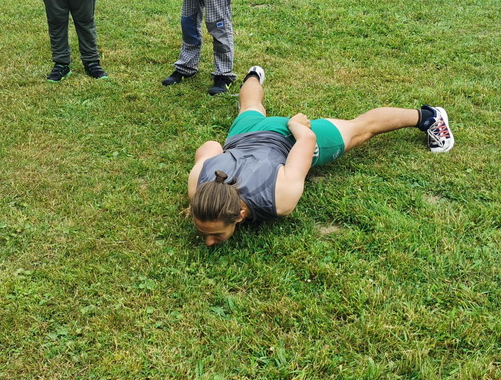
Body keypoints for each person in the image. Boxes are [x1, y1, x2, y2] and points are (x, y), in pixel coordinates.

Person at [187, 66, 455, 246]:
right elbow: (210, 146)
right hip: (246, 135)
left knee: (361, 129)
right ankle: (253, 75)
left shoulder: (279, 198)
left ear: (240, 216)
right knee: (250, 105)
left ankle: (430, 117)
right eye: (204, 232)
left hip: (288, 136)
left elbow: (307, 140)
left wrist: (296, 125)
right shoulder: (198, 185)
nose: (208, 241)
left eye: (215, 234)